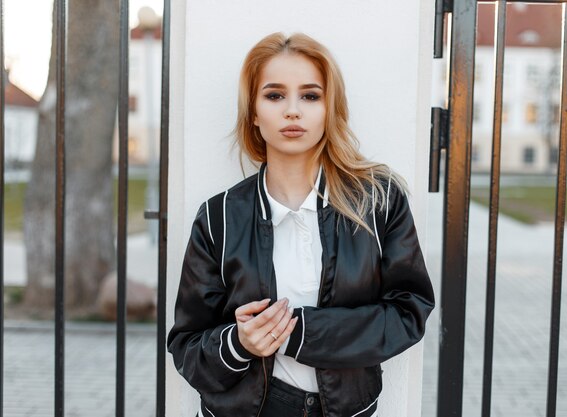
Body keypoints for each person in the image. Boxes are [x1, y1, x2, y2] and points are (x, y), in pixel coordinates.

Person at [167, 31, 435, 417]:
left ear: (329, 108)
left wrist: (300, 332)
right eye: (275, 95)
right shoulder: (218, 217)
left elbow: (409, 311)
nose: (293, 110)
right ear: (254, 113)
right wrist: (239, 344)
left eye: (310, 95)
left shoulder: (378, 201)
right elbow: (187, 346)